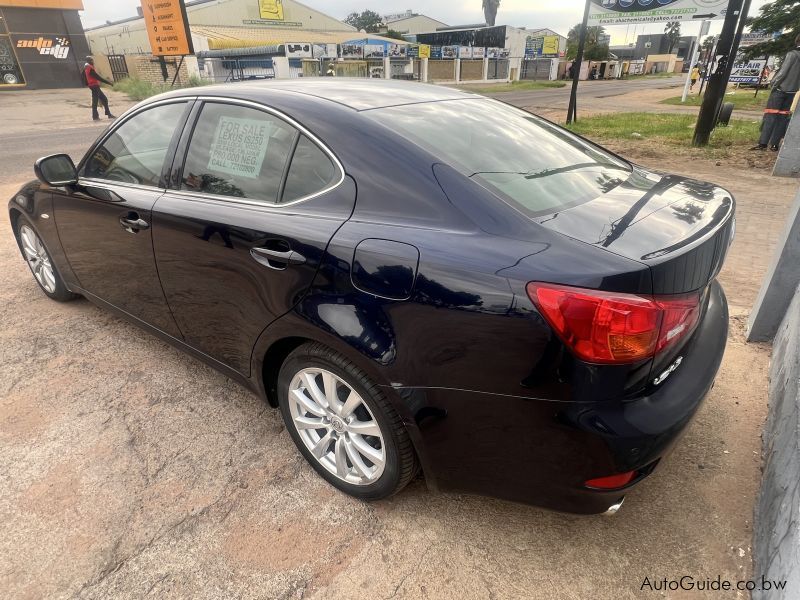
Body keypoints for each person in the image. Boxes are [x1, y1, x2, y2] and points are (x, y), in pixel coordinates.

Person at [753, 34, 800, 151]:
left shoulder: (792, 54)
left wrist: (773, 83)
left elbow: (783, 72)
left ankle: (763, 143)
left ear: (797, 40)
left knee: (771, 116)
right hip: (792, 91)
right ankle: (774, 145)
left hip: (780, 89)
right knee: (782, 118)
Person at [83, 56, 115, 121]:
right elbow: (98, 77)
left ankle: (108, 114)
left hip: (93, 86)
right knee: (95, 102)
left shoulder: (86, 68)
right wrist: (108, 82)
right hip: (94, 86)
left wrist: (88, 84)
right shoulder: (89, 68)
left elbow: (84, 77)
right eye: (91, 60)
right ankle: (95, 117)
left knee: (104, 99)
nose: (93, 61)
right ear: (89, 61)